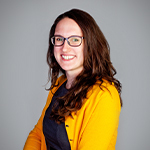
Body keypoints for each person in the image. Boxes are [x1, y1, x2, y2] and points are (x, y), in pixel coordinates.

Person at [24, 8, 122, 150]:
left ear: (91, 44)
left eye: (74, 40)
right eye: (59, 39)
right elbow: (37, 135)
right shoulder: (60, 85)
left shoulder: (104, 95)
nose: (65, 48)